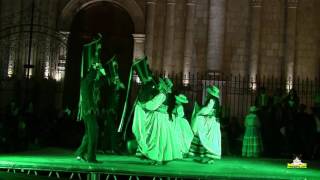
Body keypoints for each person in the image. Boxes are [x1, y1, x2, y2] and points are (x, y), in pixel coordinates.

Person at [132, 78, 183, 165]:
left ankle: (157, 158)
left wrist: (142, 105)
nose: (158, 85)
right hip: (163, 118)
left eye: (160, 84)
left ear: (163, 86)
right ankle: (163, 158)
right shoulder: (167, 95)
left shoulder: (162, 95)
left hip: (158, 118)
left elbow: (153, 105)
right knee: (163, 138)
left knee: (156, 137)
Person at [75, 63, 106, 163]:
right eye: (96, 73)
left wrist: (102, 72)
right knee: (93, 132)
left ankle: (79, 153)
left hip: (88, 111)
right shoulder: (88, 81)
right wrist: (96, 68)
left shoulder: (89, 81)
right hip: (88, 111)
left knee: (89, 134)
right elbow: (87, 97)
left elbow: (102, 82)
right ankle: (91, 158)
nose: (97, 75)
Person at [189, 85, 221, 164]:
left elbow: (207, 109)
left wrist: (199, 112)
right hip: (211, 121)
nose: (207, 94)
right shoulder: (215, 100)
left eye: (208, 92)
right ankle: (206, 157)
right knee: (207, 138)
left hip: (209, 122)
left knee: (206, 138)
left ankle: (208, 157)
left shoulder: (212, 100)